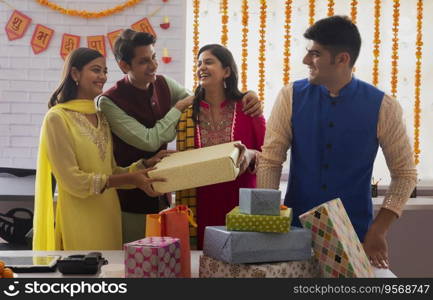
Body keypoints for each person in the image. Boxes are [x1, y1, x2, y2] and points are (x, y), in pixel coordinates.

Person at [257, 15, 417, 269]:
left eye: (315, 54)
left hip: (355, 237)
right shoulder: (290, 96)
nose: (305, 60)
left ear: (342, 59)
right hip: (294, 235)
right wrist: (265, 219)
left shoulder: (384, 107)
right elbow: (270, 160)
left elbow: (405, 174)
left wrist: (379, 229)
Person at [97, 29, 263, 243]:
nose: (154, 65)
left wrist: (247, 94)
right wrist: (177, 108)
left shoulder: (164, 85)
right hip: (131, 198)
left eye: (154, 57)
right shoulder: (110, 101)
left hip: (175, 197)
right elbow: (149, 140)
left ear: (227, 70)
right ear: (125, 66)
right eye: (144, 61)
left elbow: (198, 97)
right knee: (138, 266)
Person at [33, 48, 166, 251]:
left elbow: (110, 171)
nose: (103, 77)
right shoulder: (57, 118)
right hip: (79, 218)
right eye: (96, 70)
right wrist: (129, 180)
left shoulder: (101, 117)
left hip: (109, 214)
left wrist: (146, 164)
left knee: (109, 274)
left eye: (105, 71)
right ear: (75, 74)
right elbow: (73, 180)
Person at [176, 44, 266, 249]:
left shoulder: (248, 108)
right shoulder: (187, 113)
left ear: (226, 71)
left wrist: (250, 154)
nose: (201, 67)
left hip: (241, 203)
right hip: (200, 204)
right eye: (199, 63)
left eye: (209, 62)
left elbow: (270, 157)